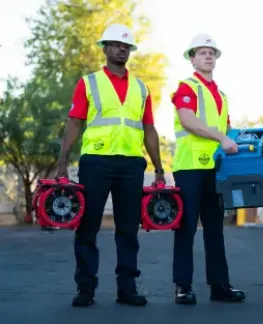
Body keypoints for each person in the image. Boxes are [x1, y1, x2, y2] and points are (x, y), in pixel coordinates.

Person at [55, 23, 165, 307]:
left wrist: (160, 168)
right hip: (96, 163)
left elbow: (149, 129)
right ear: (105, 49)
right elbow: (75, 122)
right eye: (116, 44)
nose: (121, 49)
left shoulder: (141, 88)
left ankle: (126, 289)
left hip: (130, 164)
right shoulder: (88, 83)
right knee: (88, 225)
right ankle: (86, 289)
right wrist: (62, 162)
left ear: (130, 51)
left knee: (128, 229)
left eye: (126, 46)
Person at [169, 33, 244, 305]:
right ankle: (183, 286)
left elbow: (229, 131)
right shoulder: (187, 87)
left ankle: (219, 285)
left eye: (211, 52)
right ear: (192, 59)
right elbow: (188, 120)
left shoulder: (221, 95)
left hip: (216, 169)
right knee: (186, 228)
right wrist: (222, 138)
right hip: (189, 167)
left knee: (215, 228)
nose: (208, 56)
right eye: (202, 52)